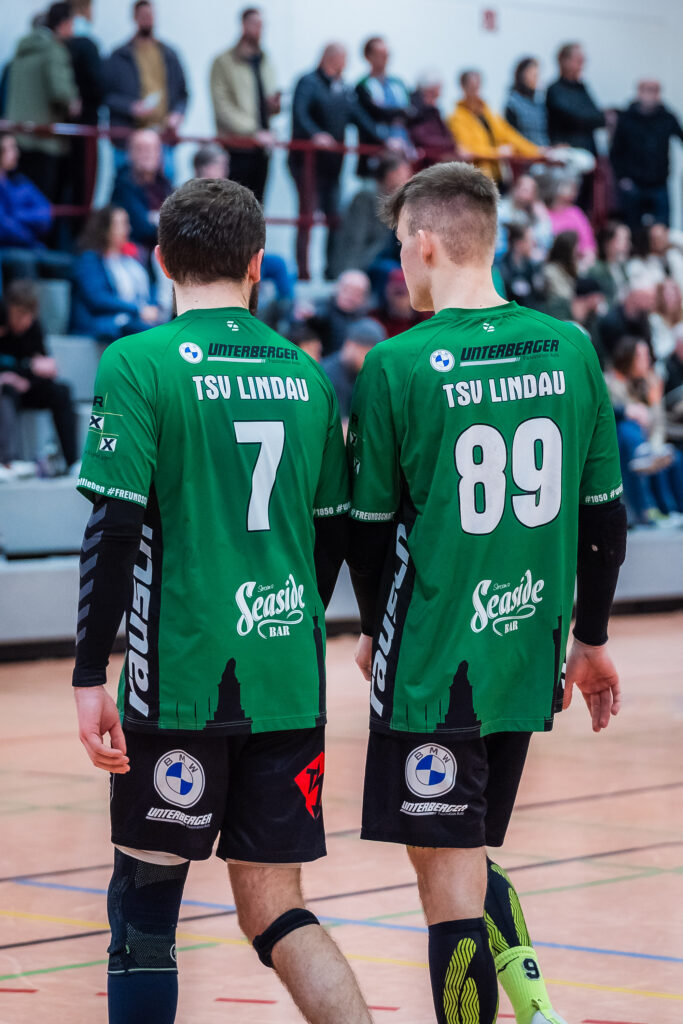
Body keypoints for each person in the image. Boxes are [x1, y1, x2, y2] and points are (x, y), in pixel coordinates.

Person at [71, 177, 371, 1024]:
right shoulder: (306, 373)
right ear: (257, 264)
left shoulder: (138, 361)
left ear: (160, 259)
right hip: (287, 678)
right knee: (277, 909)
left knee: (144, 913)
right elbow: (332, 535)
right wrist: (289, 617)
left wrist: (89, 674)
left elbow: (114, 532)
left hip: (183, 678)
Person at [346, 160, 626, 1024]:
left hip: (434, 660)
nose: (400, 262)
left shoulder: (396, 363)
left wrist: (371, 627)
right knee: (458, 850)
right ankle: (537, 1010)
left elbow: (367, 529)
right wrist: (590, 637)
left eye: (401, 245)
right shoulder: (570, 346)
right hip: (525, 654)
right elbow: (604, 516)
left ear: (426, 243)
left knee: (447, 884)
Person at [289, 44, 385, 279]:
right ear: (331, 58)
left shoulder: (343, 88)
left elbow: (359, 118)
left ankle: (331, 270)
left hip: (333, 166)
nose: (346, 65)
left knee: (334, 218)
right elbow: (300, 114)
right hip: (307, 164)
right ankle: (303, 271)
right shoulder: (308, 83)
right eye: (344, 59)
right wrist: (315, 134)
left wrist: (385, 140)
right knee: (307, 217)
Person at [0, 279, 78, 473]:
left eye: (26, 316)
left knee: (61, 391)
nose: (21, 321)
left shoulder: (34, 328)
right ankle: (8, 462)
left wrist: (26, 376)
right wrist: (15, 375)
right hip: (6, 388)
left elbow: (44, 367)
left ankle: (72, 461)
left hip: (27, 385)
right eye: (17, 315)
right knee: (7, 392)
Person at [5, 3, 80, 202]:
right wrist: (74, 103)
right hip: (45, 137)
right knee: (44, 203)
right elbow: (61, 92)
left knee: (19, 200)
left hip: (18, 136)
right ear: (64, 24)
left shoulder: (21, 50)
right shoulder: (54, 49)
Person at [605, 336, 683, 524]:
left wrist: (655, 399)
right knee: (628, 428)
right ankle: (654, 510)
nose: (648, 361)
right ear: (629, 358)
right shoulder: (609, 382)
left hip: (645, 442)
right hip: (621, 442)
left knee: (672, 457)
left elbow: (657, 425)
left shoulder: (645, 383)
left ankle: (673, 510)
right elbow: (610, 417)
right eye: (643, 356)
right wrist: (631, 412)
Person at [104, 0, 188, 172]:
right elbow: (106, 95)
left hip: (163, 136)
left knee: (166, 182)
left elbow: (183, 93)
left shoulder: (169, 54)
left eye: (150, 15)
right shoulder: (120, 56)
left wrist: (177, 114)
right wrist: (130, 107)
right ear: (135, 18)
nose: (147, 19)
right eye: (143, 15)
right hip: (128, 137)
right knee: (126, 182)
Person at [210, 6, 280, 203]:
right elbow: (222, 106)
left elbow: (265, 101)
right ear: (243, 25)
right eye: (255, 24)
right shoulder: (223, 62)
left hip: (262, 148)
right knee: (233, 204)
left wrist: (274, 106)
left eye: (262, 25)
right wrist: (253, 131)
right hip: (236, 146)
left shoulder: (265, 60)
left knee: (258, 205)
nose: (259, 29)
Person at [71, 205, 164, 342]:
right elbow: (97, 299)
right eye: (122, 224)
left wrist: (152, 308)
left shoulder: (132, 260)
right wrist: (138, 309)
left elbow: (150, 289)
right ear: (105, 228)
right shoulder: (90, 260)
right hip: (107, 325)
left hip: (136, 321)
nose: (128, 229)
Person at [0, 133, 73, 292]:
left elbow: (46, 215)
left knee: (70, 265)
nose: (16, 153)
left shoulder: (21, 183)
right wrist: (28, 233)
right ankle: (26, 309)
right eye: (10, 148)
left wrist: (16, 216)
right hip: (7, 248)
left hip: (31, 247)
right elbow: (3, 228)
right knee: (23, 262)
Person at [611, 80, 683, 232]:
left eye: (655, 91)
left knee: (662, 226)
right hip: (633, 183)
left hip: (659, 182)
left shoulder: (667, 117)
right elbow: (616, 152)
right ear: (639, 93)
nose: (651, 95)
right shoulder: (627, 118)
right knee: (633, 228)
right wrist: (622, 177)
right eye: (648, 90)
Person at [329, 153, 412, 280]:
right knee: (394, 274)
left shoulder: (398, 200)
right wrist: (349, 272)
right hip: (366, 263)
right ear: (390, 175)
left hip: (383, 258)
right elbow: (355, 238)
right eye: (404, 175)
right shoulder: (366, 196)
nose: (407, 180)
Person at [447, 70, 540, 182]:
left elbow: (510, 136)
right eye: (472, 87)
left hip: (497, 174)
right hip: (476, 178)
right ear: (463, 88)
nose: (475, 92)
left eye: (477, 87)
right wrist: (496, 152)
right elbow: (467, 149)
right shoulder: (456, 118)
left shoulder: (489, 114)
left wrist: (537, 151)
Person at [355, 36, 415, 177]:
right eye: (380, 54)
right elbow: (372, 114)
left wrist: (389, 111)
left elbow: (411, 112)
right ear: (368, 57)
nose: (385, 59)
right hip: (375, 155)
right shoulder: (363, 85)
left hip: (402, 151)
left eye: (387, 55)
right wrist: (399, 112)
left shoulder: (398, 83)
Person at [66, 0, 104, 218]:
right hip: (85, 127)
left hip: (62, 130)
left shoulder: (60, 43)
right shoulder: (86, 44)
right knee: (83, 188)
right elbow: (98, 87)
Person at [111, 129, 173, 252]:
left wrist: (154, 219)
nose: (147, 154)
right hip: (135, 252)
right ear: (129, 154)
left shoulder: (164, 183)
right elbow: (143, 229)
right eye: (141, 149)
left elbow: (177, 220)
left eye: (152, 149)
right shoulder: (123, 185)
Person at [322, 316, 387, 421]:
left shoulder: (367, 374)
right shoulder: (327, 374)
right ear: (350, 344)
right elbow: (337, 425)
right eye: (366, 353)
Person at [546, 43, 604, 155]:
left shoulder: (582, 88)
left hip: (589, 150)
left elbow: (599, 118)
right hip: (568, 153)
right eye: (578, 60)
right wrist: (592, 117)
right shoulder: (555, 90)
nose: (582, 65)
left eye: (583, 61)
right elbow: (575, 118)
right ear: (564, 61)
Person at [304, 269, 371, 356]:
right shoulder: (319, 308)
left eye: (357, 292)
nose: (350, 295)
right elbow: (317, 317)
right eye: (346, 289)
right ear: (336, 287)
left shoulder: (365, 319)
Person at [497, 173, 553, 259]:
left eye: (527, 191)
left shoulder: (534, 213)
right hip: (503, 257)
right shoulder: (501, 209)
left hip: (526, 258)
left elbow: (546, 242)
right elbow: (499, 242)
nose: (521, 192)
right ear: (514, 189)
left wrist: (543, 217)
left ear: (534, 196)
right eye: (521, 188)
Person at [545, 175, 597, 264]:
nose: (574, 191)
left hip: (574, 263)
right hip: (550, 261)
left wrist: (585, 263)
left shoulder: (576, 213)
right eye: (567, 185)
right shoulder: (543, 212)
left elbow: (588, 246)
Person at [408, 72, 458, 164]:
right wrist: (447, 146)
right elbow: (421, 138)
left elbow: (448, 137)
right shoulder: (416, 110)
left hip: (439, 156)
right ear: (430, 90)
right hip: (426, 161)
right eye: (438, 89)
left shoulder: (433, 111)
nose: (441, 93)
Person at [599, 283, 656, 361]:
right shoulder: (611, 321)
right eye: (647, 298)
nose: (651, 302)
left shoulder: (642, 317)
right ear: (634, 297)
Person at [627, 222, 683, 296]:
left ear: (667, 235)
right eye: (654, 239)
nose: (658, 242)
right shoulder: (645, 263)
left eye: (661, 237)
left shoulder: (676, 255)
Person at [498, 223, 546, 309]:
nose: (533, 245)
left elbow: (540, 296)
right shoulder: (503, 268)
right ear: (518, 244)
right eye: (529, 241)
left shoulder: (531, 266)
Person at [505, 57, 549, 146]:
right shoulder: (513, 103)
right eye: (532, 75)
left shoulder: (540, 103)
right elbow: (512, 135)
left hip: (544, 148)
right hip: (525, 150)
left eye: (537, 75)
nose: (535, 79)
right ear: (521, 76)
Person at [591, 221, 632, 307]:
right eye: (624, 240)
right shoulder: (596, 270)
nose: (628, 245)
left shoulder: (623, 267)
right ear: (608, 243)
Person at [543, 230, 580, 304]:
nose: (578, 251)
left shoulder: (567, 268)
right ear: (567, 251)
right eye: (575, 248)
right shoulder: (550, 271)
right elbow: (564, 297)